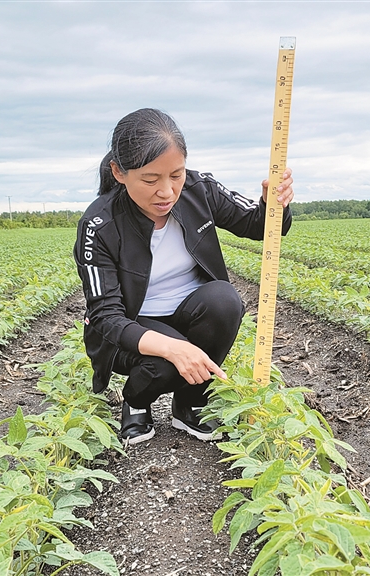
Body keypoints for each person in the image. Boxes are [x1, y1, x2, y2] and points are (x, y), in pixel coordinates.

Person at [74, 108, 293, 445]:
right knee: (167, 364)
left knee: (224, 301)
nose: (167, 191)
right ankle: (136, 402)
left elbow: (257, 225)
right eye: (150, 179)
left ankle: (190, 404)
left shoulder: (199, 189)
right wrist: (174, 349)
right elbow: (107, 317)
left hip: (188, 313)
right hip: (134, 325)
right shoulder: (99, 225)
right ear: (119, 172)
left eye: (176, 175)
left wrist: (273, 203)